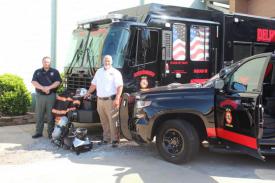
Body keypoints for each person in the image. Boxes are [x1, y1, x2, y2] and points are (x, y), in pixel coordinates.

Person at [84, 55, 123, 147]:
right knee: (104, 121)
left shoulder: (115, 72)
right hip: (100, 101)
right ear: (103, 61)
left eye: (109, 61)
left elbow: (120, 86)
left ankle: (115, 140)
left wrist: (117, 98)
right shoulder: (99, 71)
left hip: (111, 100)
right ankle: (106, 138)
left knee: (113, 121)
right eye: (105, 61)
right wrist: (88, 92)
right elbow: (94, 84)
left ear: (111, 62)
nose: (107, 62)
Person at [31, 56, 62, 139]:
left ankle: (50, 133)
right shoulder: (37, 72)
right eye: (45, 62)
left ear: (50, 63)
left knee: (50, 115)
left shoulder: (55, 72)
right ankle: (38, 132)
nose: (46, 63)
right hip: (40, 96)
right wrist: (43, 88)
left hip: (51, 96)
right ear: (42, 62)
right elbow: (33, 82)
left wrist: (48, 88)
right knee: (39, 115)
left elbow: (58, 82)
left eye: (48, 62)